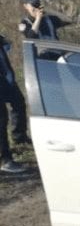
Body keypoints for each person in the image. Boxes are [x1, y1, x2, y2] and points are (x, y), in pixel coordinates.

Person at [1, 33, 29, 173]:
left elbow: (7, 46)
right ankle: (5, 160)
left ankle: (19, 137)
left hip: (7, 79)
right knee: (1, 120)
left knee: (18, 102)